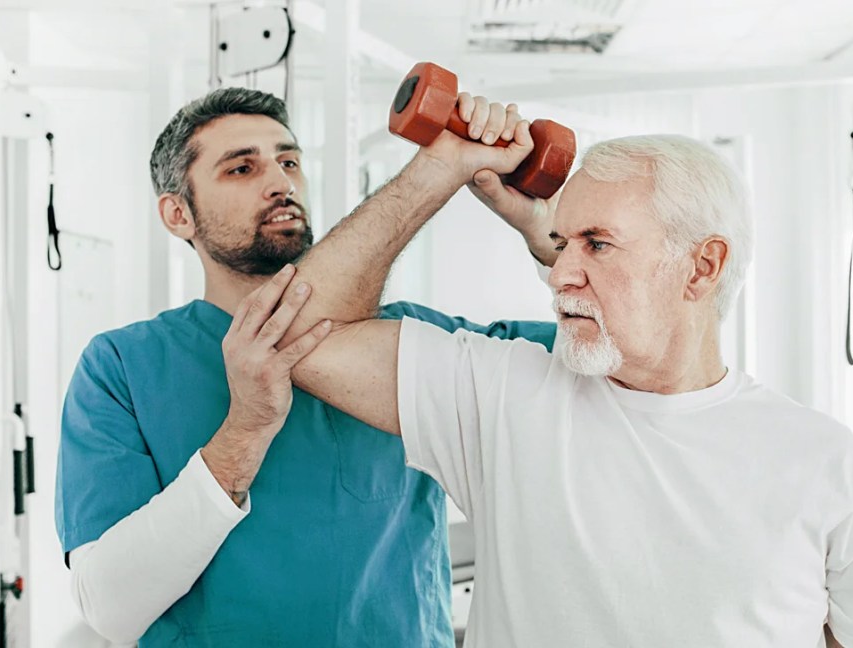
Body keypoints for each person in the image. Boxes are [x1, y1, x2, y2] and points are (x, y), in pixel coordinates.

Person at [267, 135, 853, 647]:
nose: (560, 274)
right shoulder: (503, 396)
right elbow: (293, 332)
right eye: (559, 243)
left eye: (597, 244)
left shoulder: (818, 458)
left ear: (702, 266)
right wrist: (442, 165)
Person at [54, 87, 557, 646]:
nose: (281, 182)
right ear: (178, 214)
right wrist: (245, 430)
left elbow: (606, 366)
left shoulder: (411, 340)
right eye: (241, 168)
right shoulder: (122, 366)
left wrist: (548, 237)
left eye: (289, 161)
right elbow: (109, 607)